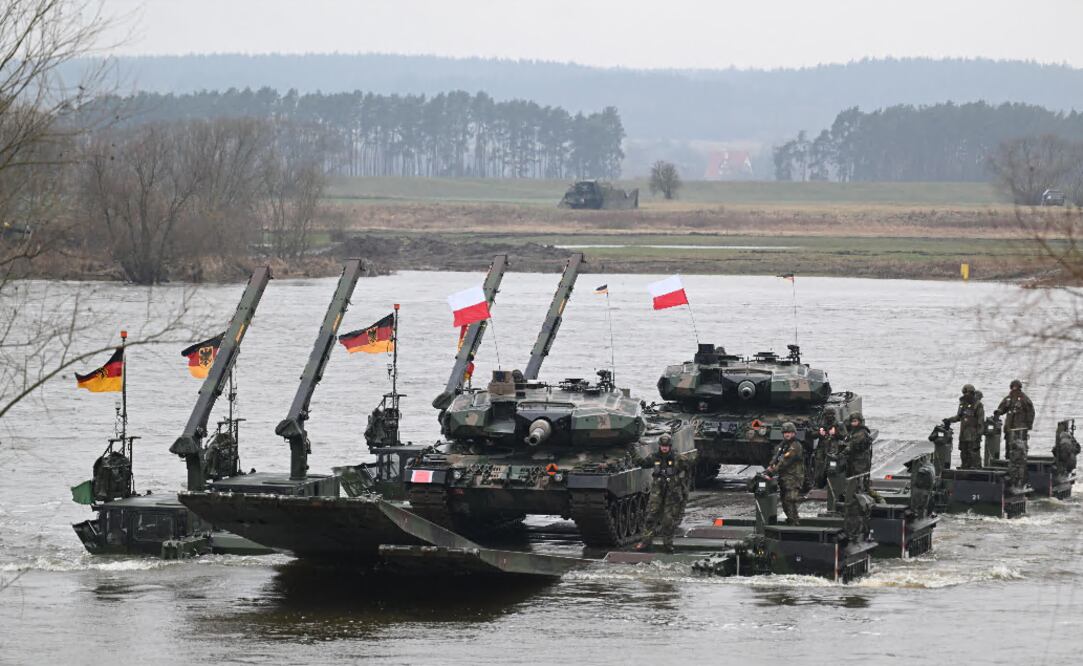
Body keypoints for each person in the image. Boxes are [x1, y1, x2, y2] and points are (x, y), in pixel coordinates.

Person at [634, 434, 689, 552]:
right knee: (651, 516)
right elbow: (642, 463)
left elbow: (688, 467)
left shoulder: (677, 457)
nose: (664, 448)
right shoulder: (655, 457)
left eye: (666, 446)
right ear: (659, 446)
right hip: (657, 491)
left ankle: (667, 544)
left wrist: (681, 484)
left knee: (668, 520)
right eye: (662, 446)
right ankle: (646, 542)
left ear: (670, 446)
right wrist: (632, 450)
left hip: (671, 492)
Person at [993, 379, 1035, 490]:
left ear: (1019, 388)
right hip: (1009, 430)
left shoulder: (1024, 399)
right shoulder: (1008, 398)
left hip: (1019, 431)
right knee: (1008, 453)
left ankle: (1020, 479)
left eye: (1016, 387)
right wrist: (998, 412)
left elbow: (1031, 412)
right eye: (1013, 387)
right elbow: (1002, 408)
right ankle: (1009, 475)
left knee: (1019, 455)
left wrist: (1028, 426)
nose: (1014, 389)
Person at [765, 422, 804, 525]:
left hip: (793, 477)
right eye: (785, 432)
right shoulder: (783, 445)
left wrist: (771, 472)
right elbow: (776, 457)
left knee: (790, 499)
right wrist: (770, 466)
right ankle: (791, 520)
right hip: (785, 477)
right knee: (784, 501)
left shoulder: (795, 446)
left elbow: (784, 461)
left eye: (789, 432)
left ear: (794, 433)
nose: (787, 434)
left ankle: (794, 522)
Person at [842, 412, 883, 502]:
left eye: (855, 421)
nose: (853, 423)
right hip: (855, 460)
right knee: (855, 480)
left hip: (861, 461)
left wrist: (843, 451)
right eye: (852, 421)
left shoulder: (861, 433)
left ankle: (868, 497)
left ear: (860, 422)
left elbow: (852, 445)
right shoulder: (854, 431)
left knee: (859, 481)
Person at [944, 384, 986, 469]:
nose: (965, 395)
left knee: (974, 454)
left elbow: (981, 421)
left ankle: (976, 469)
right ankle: (964, 468)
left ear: (972, 393)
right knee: (963, 453)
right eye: (964, 393)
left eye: (967, 393)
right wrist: (949, 420)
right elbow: (958, 417)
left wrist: (979, 434)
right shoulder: (962, 404)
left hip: (973, 435)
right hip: (963, 434)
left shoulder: (978, 405)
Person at [813, 413, 845, 488]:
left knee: (832, 467)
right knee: (819, 467)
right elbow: (812, 434)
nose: (829, 416)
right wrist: (819, 433)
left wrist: (836, 433)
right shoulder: (820, 424)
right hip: (821, 450)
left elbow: (844, 436)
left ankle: (831, 485)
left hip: (833, 449)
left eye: (831, 414)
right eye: (827, 414)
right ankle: (818, 484)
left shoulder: (838, 424)